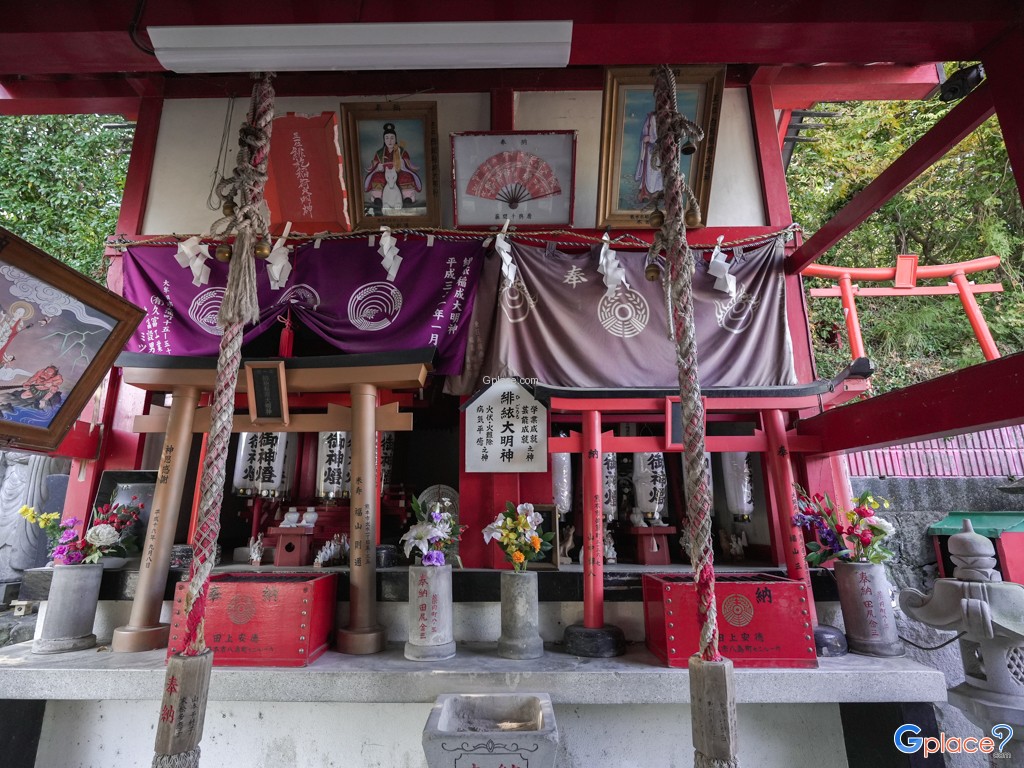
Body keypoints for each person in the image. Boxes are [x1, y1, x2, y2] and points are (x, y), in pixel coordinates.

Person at [363, 122, 422, 213]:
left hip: (399, 172)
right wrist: (378, 167)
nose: (389, 141)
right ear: (384, 140)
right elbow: (373, 166)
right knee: (377, 176)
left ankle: (407, 197)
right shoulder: (379, 153)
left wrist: (403, 165)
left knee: (406, 176)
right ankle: (377, 198)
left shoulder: (401, 151)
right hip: (385, 173)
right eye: (387, 138)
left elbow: (409, 165)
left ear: (395, 139)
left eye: (392, 138)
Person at [634, 111, 663, 203]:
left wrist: (651, 139)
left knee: (657, 171)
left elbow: (663, 136)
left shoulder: (665, 119)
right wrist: (645, 139)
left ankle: (656, 193)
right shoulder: (650, 118)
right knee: (648, 170)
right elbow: (644, 133)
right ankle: (645, 192)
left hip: (659, 151)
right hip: (649, 151)